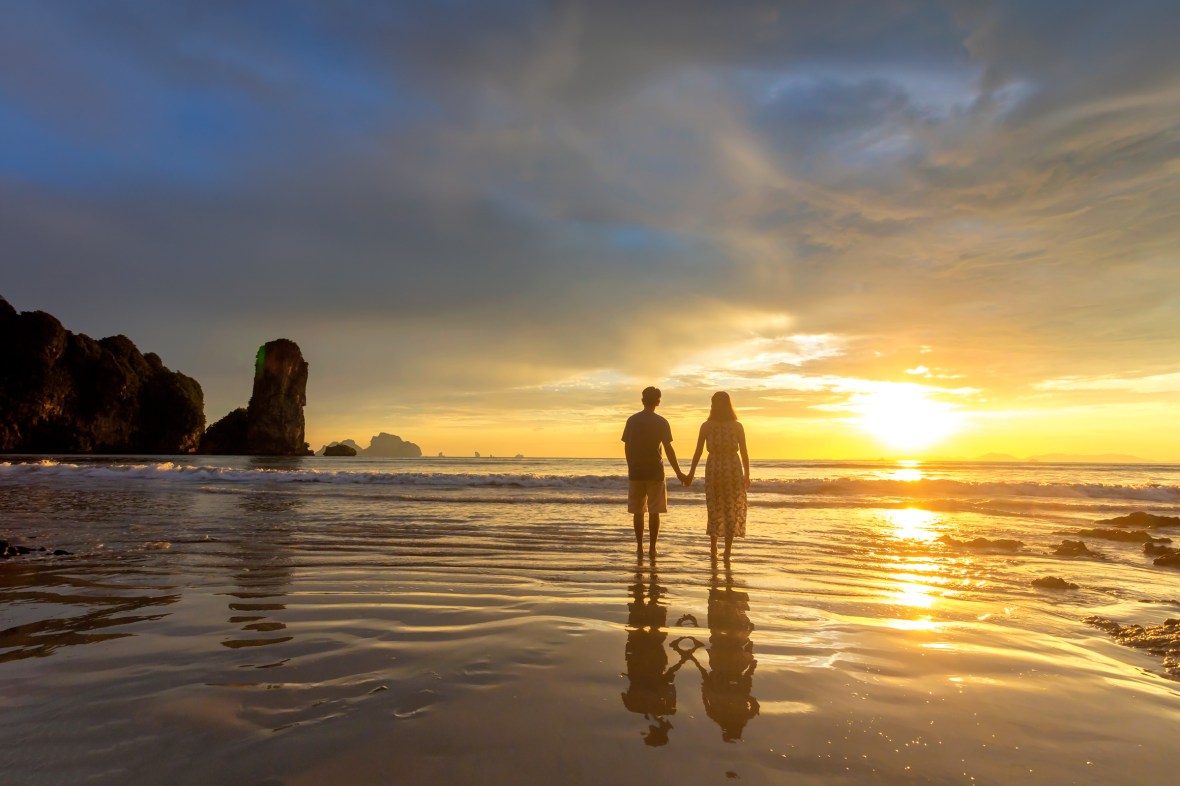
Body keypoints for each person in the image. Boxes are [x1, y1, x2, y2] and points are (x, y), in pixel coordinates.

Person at [684, 391, 750, 562]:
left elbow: (698, 452)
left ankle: (715, 548)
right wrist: (746, 474)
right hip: (731, 469)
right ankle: (726, 552)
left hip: (715, 468)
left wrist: (691, 473)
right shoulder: (736, 426)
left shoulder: (708, 425)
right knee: (730, 509)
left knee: (715, 507)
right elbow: (743, 452)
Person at [622, 386, 686, 558]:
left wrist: (631, 465)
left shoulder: (632, 420)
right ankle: (652, 548)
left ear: (643, 400)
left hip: (636, 472)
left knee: (638, 512)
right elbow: (668, 449)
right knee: (654, 511)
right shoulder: (661, 422)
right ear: (658, 401)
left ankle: (640, 547)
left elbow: (627, 446)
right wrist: (679, 472)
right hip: (655, 472)